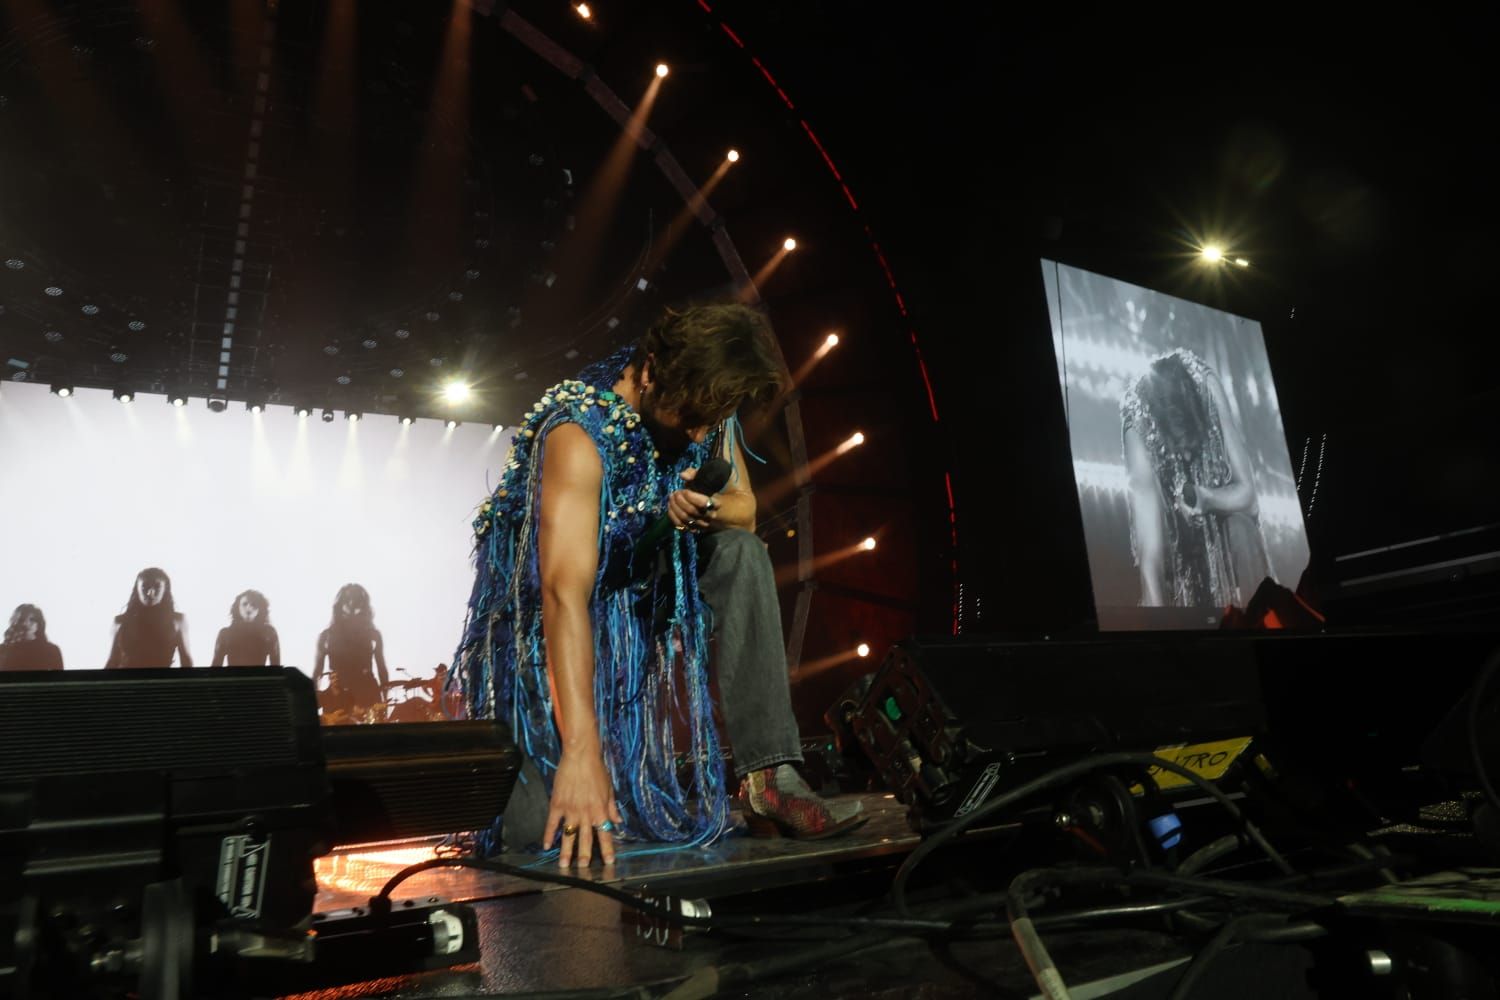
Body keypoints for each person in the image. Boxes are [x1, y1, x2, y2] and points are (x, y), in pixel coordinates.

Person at [452, 302, 864, 868]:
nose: (699, 433)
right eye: (690, 418)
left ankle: (770, 776)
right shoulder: (578, 433)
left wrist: (702, 506)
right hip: (543, 631)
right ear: (649, 372)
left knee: (740, 553)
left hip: (636, 584)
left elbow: (744, 512)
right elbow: (563, 595)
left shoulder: (706, 403)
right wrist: (580, 752)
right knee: (544, 843)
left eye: (710, 420)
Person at [1121, 349, 1271, 609]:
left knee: (1240, 529)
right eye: (1181, 450)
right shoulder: (1137, 426)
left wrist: (1208, 498)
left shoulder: (1206, 386)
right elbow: (1150, 557)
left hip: (1234, 541)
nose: (1188, 456)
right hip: (1181, 560)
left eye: (1193, 447)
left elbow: (1249, 498)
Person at [313, 583, 389, 722]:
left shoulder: (372, 635)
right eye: (349, 602)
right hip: (339, 695)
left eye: (357, 603)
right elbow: (317, 673)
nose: (353, 608)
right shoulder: (327, 636)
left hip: (366, 693)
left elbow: (382, 670)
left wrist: (385, 702)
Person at [105, 568, 193, 668]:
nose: (150, 593)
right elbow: (112, 662)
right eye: (145, 587)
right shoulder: (120, 622)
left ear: (165, 589)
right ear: (137, 589)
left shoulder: (177, 621)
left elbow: (186, 661)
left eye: (157, 587)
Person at [211, 589, 281, 667]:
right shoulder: (225, 634)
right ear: (237, 607)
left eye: (253, 604)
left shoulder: (269, 633)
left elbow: (276, 667)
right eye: (244, 604)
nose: (248, 608)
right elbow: (215, 667)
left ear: (260, 609)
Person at [0, 604, 64, 670]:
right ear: (13, 622)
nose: (26, 623)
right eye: (21, 620)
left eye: (32, 619)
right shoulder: (4, 650)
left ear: (39, 624)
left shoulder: (52, 650)